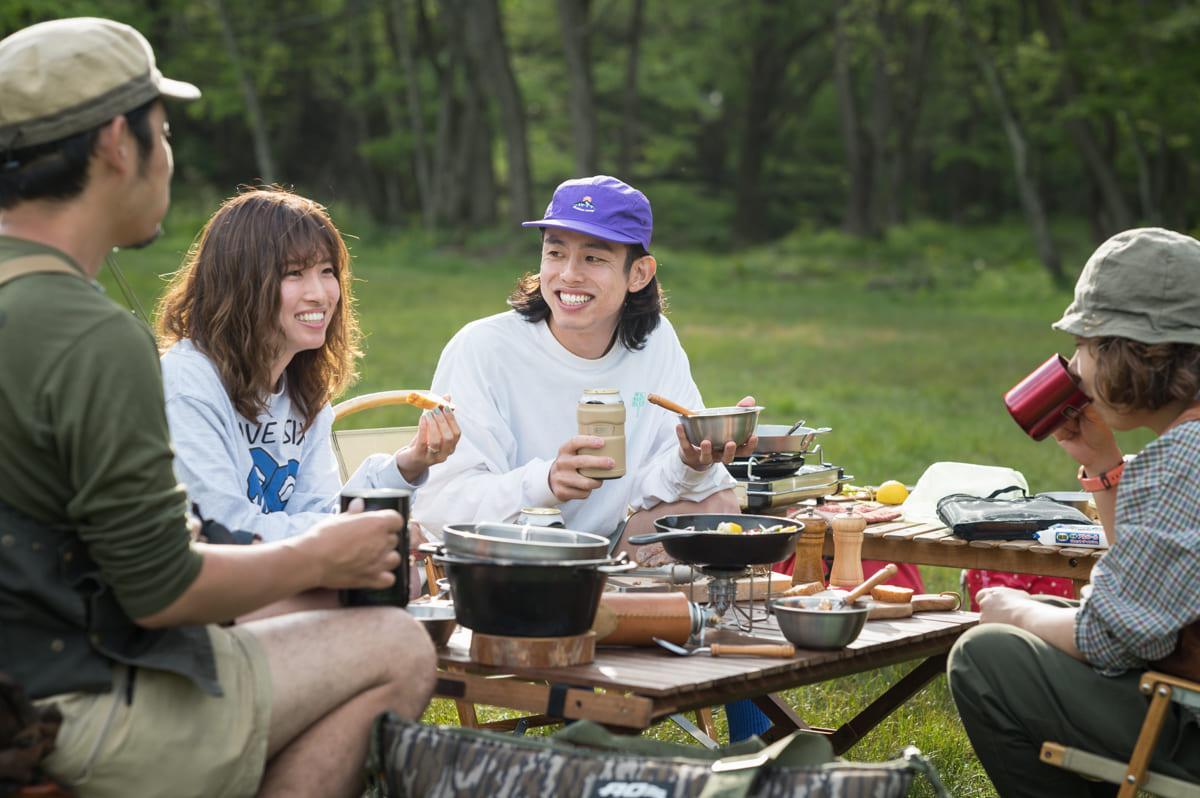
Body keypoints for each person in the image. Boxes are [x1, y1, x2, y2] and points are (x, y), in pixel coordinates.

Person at [0, 17, 435, 798]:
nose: (168, 157)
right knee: (396, 645)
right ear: (115, 144)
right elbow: (162, 589)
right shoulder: (88, 335)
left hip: (41, 657)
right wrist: (321, 558)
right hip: (63, 703)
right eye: (162, 131)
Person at [947, 227, 1200, 796]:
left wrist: (1016, 614)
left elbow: (1113, 637)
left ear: (1128, 351)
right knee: (1039, 612)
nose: (1076, 367)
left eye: (1084, 345)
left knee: (987, 655)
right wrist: (1104, 466)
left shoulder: (1186, 458)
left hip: (1189, 718)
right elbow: (1157, 583)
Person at [411, 174, 755, 553]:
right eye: (555, 253)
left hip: (608, 550)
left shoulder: (655, 342)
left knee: (715, 502)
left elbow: (656, 485)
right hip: (513, 559)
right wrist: (545, 481)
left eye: (593, 257)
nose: (569, 274)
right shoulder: (483, 349)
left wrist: (691, 461)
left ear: (638, 274)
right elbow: (440, 508)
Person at [155, 187, 460, 544]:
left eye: (327, 271)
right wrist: (360, 532)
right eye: (294, 273)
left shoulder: (302, 390)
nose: (319, 293)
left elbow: (316, 514)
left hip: (278, 579)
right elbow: (226, 528)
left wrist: (406, 465)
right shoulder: (187, 384)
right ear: (239, 283)